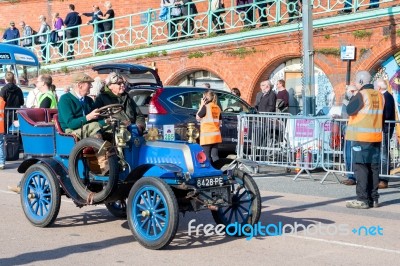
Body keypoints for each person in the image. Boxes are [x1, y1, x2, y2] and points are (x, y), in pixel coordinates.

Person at [345, 70, 384, 209]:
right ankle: (374, 199)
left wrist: (350, 96)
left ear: (361, 82)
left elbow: (349, 110)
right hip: (376, 136)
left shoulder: (361, 94)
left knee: (361, 167)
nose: (356, 84)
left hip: (361, 137)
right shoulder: (380, 95)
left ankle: (362, 199)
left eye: (356, 82)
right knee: (373, 168)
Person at [58, 73, 104, 139]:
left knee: (112, 126)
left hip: (87, 127)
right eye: (89, 84)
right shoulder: (65, 99)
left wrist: (106, 121)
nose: (91, 86)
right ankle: (101, 148)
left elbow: (95, 120)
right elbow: (71, 124)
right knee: (95, 126)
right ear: (80, 86)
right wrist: (88, 117)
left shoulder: (88, 99)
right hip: (71, 132)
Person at [375, 78, 395, 189]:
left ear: (379, 87)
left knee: (383, 154)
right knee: (382, 153)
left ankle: (383, 179)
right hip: (383, 128)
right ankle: (380, 177)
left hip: (385, 128)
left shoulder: (386, 97)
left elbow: (386, 114)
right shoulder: (385, 96)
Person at [196, 90, 222, 164]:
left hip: (207, 136)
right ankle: (217, 169)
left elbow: (198, 117)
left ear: (205, 98)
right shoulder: (217, 108)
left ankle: (209, 172)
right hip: (216, 135)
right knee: (215, 156)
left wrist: (201, 105)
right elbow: (220, 122)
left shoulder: (206, 107)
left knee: (207, 156)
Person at [340, 85, 356, 186]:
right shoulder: (347, 100)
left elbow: (348, 114)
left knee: (351, 154)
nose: (347, 92)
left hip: (352, 130)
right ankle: (350, 176)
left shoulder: (355, 100)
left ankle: (352, 177)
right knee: (348, 154)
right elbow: (344, 114)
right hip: (348, 129)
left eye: (349, 90)